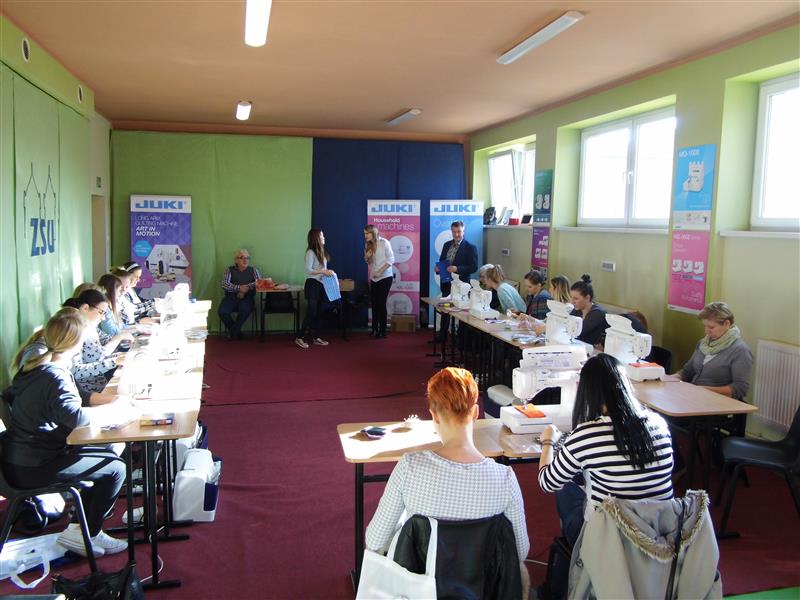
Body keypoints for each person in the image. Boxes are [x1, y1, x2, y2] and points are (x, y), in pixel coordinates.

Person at [365, 368, 530, 589]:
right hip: (480, 589)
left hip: (421, 590)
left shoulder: (409, 468)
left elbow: (375, 540)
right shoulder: (505, 479)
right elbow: (519, 551)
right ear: (475, 413)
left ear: (433, 415)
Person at [536, 353, 674, 599]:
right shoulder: (659, 424)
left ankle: (566, 575)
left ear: (587, 391)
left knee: (564, 487)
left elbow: (546, 482)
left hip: (608, 539)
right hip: (659, 533)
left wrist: (548, 441)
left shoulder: (587, 434)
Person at [2, 309, 128, 558]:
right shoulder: (54, 374)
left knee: (104, 455)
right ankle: (86, 532)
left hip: (18, 461)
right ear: (76, 342)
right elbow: (75, 418)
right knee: (115, 469)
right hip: (34, 467)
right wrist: (113, 413)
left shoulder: (33, 367)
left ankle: (83, 529)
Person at [674, 302, 752, 400]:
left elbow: (740, 388)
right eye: (705, 326)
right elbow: (688, 371)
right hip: (695, 397)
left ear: (727, 324)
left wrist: (701, 390)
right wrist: (672, 378)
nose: (706, 331)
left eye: (711, 327)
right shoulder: (703, 343)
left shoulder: (740, 351)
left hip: (718, 403)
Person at [63, 289, 131, 398]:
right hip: (88, 394)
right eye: (101, 312)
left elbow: (96, 357)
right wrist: (114, 361)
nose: (103, 318)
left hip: (99, 385)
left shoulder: (91, 327)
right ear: (85, 308)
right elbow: (76, 371)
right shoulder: (74, 332)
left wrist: (118, 357)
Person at [434, 221, 479, 342]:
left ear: (463, 231)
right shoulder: (446, 245)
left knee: (461, 312)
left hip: (462, 285)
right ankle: (442, 335)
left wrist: (457, 268)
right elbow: (442, 262)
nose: (456, 234)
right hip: (446, 282)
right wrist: (438, 269)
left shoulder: (470, 247)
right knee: (445, 310)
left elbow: (474, 267)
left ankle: (461, 339)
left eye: (459, 231)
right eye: (454, 232)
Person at [296, 229, 334, 349]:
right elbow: (308, 270)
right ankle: (300, 337)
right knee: (312, 311)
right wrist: (323, 271)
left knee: (320, 311)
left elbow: (322, 271)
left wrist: (327, 273)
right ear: (316, 238)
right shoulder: (310, 252)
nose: (324, 237)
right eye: (322, 236)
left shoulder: (322, 252)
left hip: (322, 285)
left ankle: (316, 337)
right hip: (312, 284)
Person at [218, 249, 261, 340]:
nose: (245, 260)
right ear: (236, 260)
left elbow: (259, 282)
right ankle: (237, 333)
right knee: (222, 312)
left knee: (244, 310)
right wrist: (239, 288)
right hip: (231, 297)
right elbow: (225, 285)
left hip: (247, 297)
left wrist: (246, 288)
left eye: (247, 258)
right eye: (242, 258)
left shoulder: (253, 270)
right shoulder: (229, 270)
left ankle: (233, 333)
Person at [364, 224, 395, 339]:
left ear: (373, 233)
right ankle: (374, 329)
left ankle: (382, 330)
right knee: (374, 304)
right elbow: (369, 262)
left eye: (367, 233)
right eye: (364, 234)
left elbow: (391, 259)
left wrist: (380, 271)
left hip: (385, 277)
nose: (365, 236)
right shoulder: (368, 245)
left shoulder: (384, 242)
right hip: (374, 278)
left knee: (381, 303)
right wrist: (367, 257)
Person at [569, 274, 607, 347]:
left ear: (587, 298)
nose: (572, 302)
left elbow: (578, 332)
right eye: (571, 298)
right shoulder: (577, 309)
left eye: (576, 299)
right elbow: (567, 326)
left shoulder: (597, 313)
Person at [96, 274, 128, 338]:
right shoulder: (105, 308)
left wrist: (135, 328)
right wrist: (131, 330)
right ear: (112, 291)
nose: (120, 293)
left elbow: (121, 326)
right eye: (119, 290)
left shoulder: (110, 305)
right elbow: (110, 331)